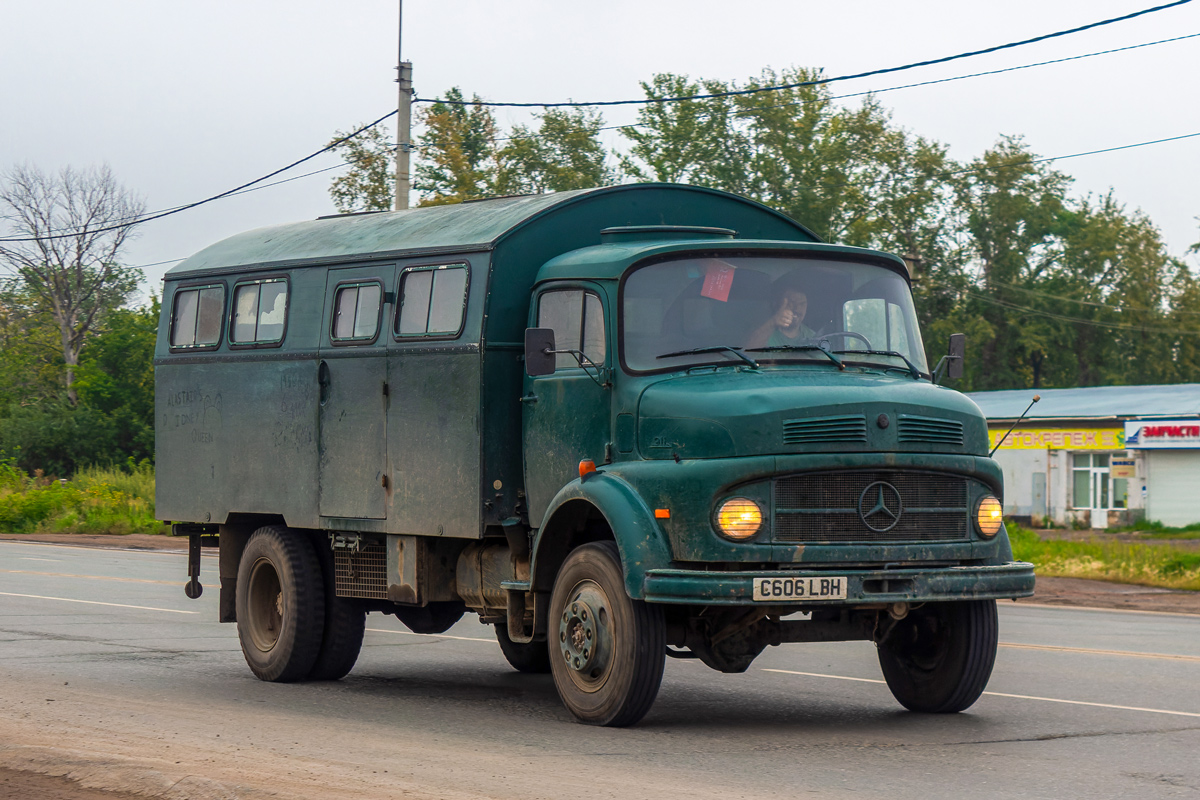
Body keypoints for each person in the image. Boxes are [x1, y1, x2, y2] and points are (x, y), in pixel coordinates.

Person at [746, 279, 816, 348]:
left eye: (802, 304)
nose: (797, 308)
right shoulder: (764, 331)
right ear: (777, 304)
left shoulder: (812, 337)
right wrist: (773, 322)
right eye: (792, 302)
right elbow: (747, 353)